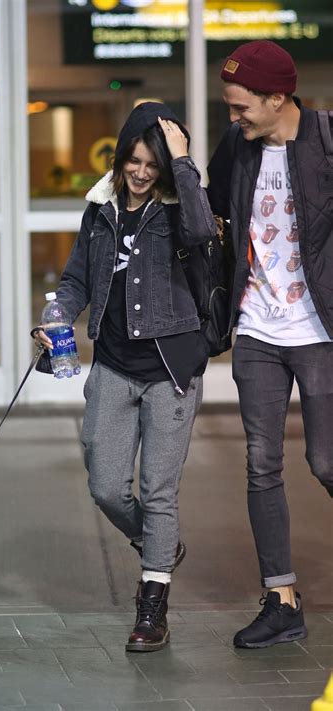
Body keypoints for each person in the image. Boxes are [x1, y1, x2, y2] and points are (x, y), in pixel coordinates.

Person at [33, 102, 217, 652]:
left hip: (170, 369)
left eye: (150, 164)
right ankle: (157, 542)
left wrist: (183, 163)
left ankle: (152, 608)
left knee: (159, 492)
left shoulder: (178, 209)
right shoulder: (101, 209)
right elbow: (74, 281)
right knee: (106, 485)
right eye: (132, 161)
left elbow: (205, 230)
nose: (139, 173)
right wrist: (57, 316)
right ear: (119, 159)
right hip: (113, 364)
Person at [208, 40, 333, 649]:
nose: (233, 118)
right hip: (258, 326)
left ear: (277, 98)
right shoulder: (237, 148)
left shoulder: (326, 142)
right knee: (262, 464)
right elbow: (205, 214)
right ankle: (282, 602)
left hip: (319, 330)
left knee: (327, 460)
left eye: (240, 107)